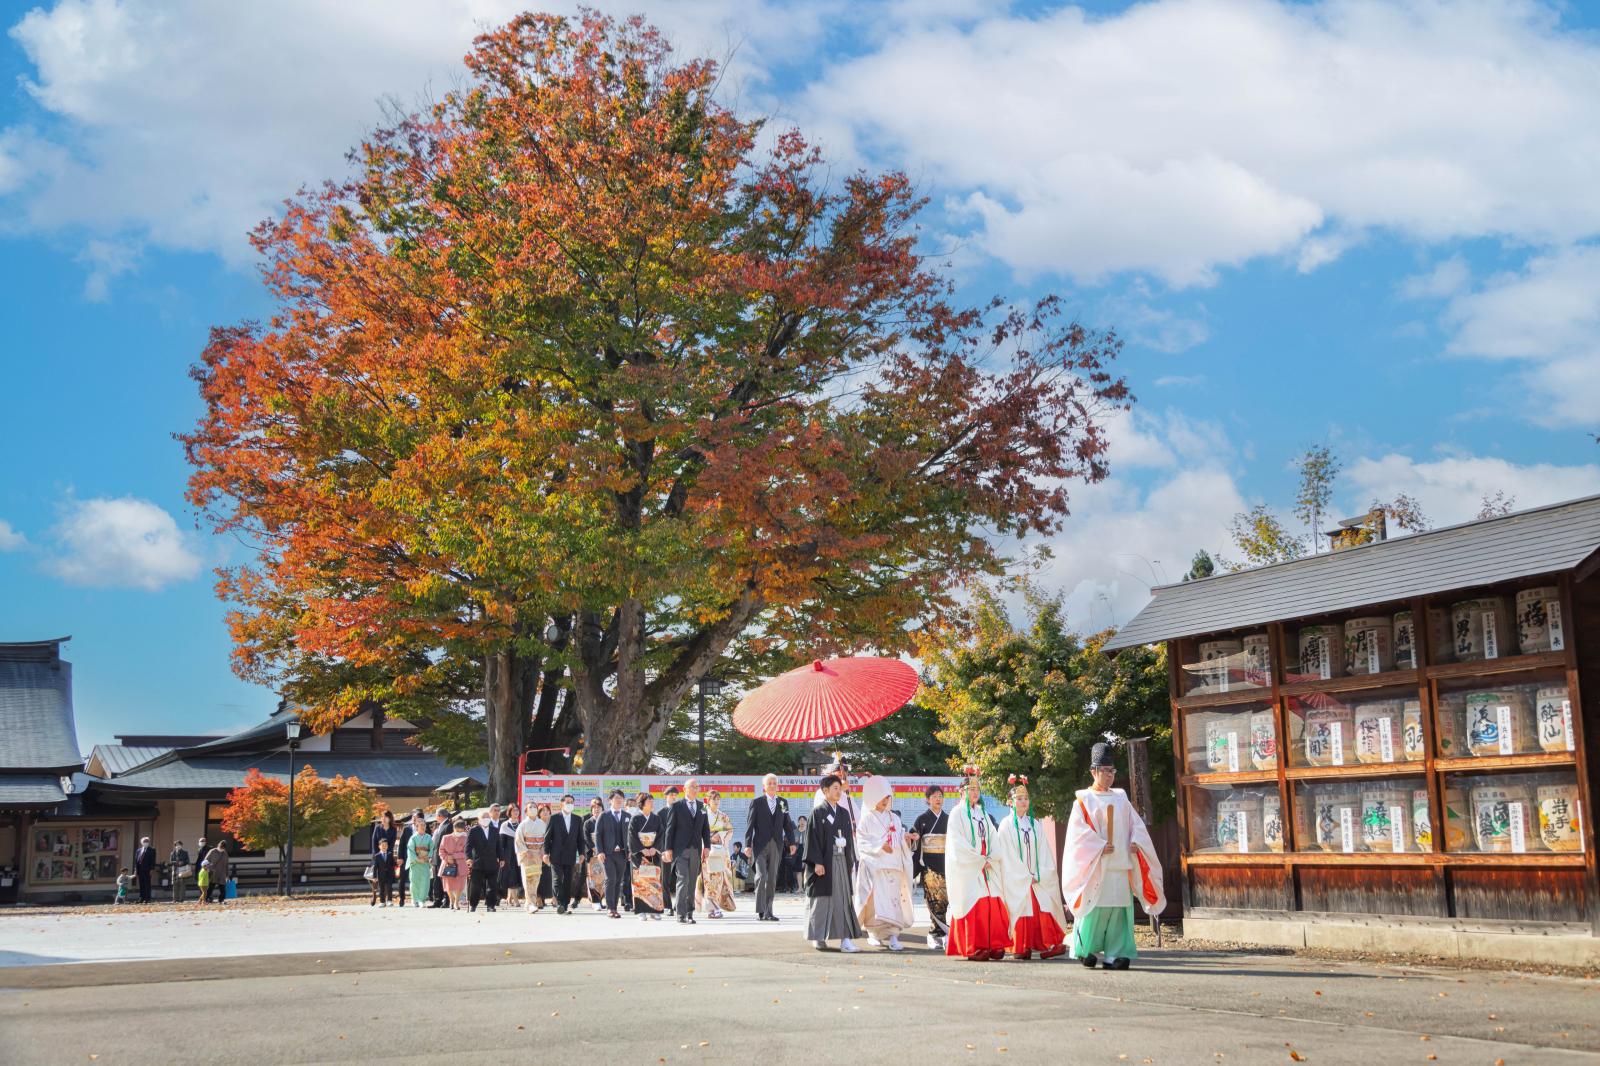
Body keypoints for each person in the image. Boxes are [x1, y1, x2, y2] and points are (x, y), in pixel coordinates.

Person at [1063, 742, 1167, 970]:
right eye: (1104, 771)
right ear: (1094, 772)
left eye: (1112, 771)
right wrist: (1098, 846)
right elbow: (1077, 836)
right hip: (1097, 865)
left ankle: (1115, 953)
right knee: (1093, 909)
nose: (1109, 776)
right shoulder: (1082, 801)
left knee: (1119, 910)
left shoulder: (1121, 799)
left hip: (1120, 864)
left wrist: (1135, 841)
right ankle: (1084, 949)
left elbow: (1135, 826)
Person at [996, 775, 1067, 960]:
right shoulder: (1005, 825)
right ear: (1010, 802)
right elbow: (1007, 855)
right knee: (1021, 905)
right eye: (1019, 799)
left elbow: (1044, 850)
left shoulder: (1034, 824)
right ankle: (1020, 945)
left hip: (1036, 874)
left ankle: (1049, 943)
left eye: (1026, 798)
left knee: (1042, 904)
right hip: (1017, 876)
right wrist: (1024, 875)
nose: (1023, 802)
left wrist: (1038, 872)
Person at [944, 767, 1009, 961]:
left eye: (977, 789)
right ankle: (974, 946)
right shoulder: (956, 813)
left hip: (985, 864)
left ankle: (993, 943)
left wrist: (991, 857)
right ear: (962, 791)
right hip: (970, 867)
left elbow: (993, 837)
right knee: (974, 901)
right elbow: (958, 843)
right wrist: (979, 860)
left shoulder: (982, 813)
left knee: (992, 900)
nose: (974, 792)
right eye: (971, 789)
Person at [852, 774, 915, 951]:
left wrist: (906, 837)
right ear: (873, 798)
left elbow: (899, 835)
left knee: (894, 901)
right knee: (875, 903)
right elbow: (862, 841)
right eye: (883, 797)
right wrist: (880, 845)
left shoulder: (894, 818)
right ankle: (874, 934)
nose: (886, 801)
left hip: (893, 865)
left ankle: (894, 935)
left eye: (888, 797)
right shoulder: (866, 819)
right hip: (876, 866)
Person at [805, 773, 862, 951]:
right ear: (825, 791)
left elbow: (850, 840)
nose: (839, 792)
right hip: (825, 863)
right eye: (835, 789)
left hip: (841, 860)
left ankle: (845, 939)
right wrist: (817, 863)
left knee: (843, 899)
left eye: (840, 789)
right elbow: (812, 840)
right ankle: (818, 937)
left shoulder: (844, 813)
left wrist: (850, 860)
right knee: (822, 900)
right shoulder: (818, 812)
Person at [744, 773, 796, 922]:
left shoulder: (783, 802)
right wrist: (747, 844)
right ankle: (761, 910)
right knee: (761, 876)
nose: (772, 785)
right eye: (770, 783)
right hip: (760, 844)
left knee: (772, 878)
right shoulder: (757, 802)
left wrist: (792, 843)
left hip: (776, 844)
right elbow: (750, 824)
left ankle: (769, 911)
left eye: (774, 783)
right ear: (764, 787)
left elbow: (787, 824)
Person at [663, 778, 710, 924]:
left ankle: (690, 912)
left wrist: (707, 846)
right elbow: (669, 830)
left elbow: (705, 828)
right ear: (685, 789)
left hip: (696, 849)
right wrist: (668, 849)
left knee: (692, 882)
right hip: (680, 850)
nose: (696, 789)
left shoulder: (702, 806)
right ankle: (681, 913)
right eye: (693, 787)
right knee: (682, 879)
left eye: (697, 787)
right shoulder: (676, 806)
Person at [912, 784, 950, 951]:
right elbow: (915, 838)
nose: (938, 799)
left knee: (944, 901)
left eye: (940, 796)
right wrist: (914, 837)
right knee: (933, 900)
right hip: (929, 866)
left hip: (946, 864)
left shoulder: (948, 819)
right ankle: (935, 935)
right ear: (927, 800)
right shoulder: (922, 819)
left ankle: (938, 933)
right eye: (934, 796)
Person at [697, 789, 736, 918]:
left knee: (720, 880)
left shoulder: (723, 816)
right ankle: (712, 909)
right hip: (708, 850)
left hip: (720, 851)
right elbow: (699, 832)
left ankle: (717, 906)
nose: (716, 801)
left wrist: (721, 837)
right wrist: (709, 838)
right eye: (714, 799)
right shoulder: (703, 814)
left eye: (718, 799)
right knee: (710, 880)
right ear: (708, 800)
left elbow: (730, 830)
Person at [544, 794, 586, 915]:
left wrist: (582, 853)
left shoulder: (578, 819)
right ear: (562, 803)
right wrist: (546, 853)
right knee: (557, 879)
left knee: (568, 881)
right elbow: (547, 838)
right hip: (556, 854)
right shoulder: (554, 818)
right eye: (567, 802)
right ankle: (560, 903)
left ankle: (565, 904)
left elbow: (580, 839)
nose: (569, 804)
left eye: (571, 802)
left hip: (570, 855)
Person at [595, 789, 632, 918]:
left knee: (618, 881)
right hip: (608, 854)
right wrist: (600, 851)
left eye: (621, 798)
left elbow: (631, 836)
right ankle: (610, 908)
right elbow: (598, 835)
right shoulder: (604, 815)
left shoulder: (627, 816)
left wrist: (630, 851)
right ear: (610, 800)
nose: (619, 800)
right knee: (610, 879)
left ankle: (615, 907)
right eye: (616, 798)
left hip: (622, 854)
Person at [630, 792, 665, 920]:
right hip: (640, 855)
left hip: (653, 854)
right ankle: (641, 911)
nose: (652, 804)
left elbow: (661, 834)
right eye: (649, 802)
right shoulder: (635, 818)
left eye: (652, 801)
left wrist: (655, 848)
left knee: (654, 882)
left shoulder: (656, 818)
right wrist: (641, 849)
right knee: (641, 883)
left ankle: (654, 910)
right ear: (642, 804)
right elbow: (632, 837)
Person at [466, 810, 502, 912]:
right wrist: (468, 858)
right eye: (483, 817)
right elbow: (468, 847)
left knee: (492, 885)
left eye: (487, 817)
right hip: (478, 862)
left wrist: (501, 858)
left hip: (492, 861)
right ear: (479, 819)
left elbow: (498, 846)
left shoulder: (495, 830)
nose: (486, 819)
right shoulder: (473, 831)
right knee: (476, 886)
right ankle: (473, 904)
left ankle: (491, 905)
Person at [515, 802, 548, 912]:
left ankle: (529, 903)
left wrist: (543, 852)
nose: (533, 809)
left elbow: (545, 840)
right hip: (527, 855)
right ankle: (531, 903)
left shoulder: (542, 824)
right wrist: (524, 851)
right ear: (526, 811)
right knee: (528, 878)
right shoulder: (523, 825)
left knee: (536, 879)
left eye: (534, 807)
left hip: (537, 854)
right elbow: (519, 840)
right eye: (530, 807)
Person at [436, 817, 470, 910]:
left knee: (460, 884)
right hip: (447, 864)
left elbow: (465, 852)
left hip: (461, 864)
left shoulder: (465, 838)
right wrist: (447, 857)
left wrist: (453, 856)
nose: (460, 832)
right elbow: (441, 851)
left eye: (461, 830)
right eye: (458, 830)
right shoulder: (445, 838)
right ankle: (451, 899)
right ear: (454, 829)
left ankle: (456, 902)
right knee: (448, 885)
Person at [658, 785, 681, 915]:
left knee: (681, 878)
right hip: (665, 851)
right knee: (664, 879)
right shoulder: (661, 813)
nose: (673, 797)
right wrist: (663, 850)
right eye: (671, 795)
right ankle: (667, 906)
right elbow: (660, 834)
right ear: (665, 796)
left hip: (679, 851)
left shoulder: (681, 811)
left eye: (675, 795)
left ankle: (679, 905)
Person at [583, 797, 607, 911]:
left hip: (604, 854)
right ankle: (595, 900)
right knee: (593, 878)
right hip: (592, 854)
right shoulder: (588, 823)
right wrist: (594, 848)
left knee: (603, 878)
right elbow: (586, 838)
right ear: (591, 810)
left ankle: (602, 899)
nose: (596, 810)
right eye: (594, 808)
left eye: (599, 808)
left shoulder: (606, 820)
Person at [405, 812, 434, 907]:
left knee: (425, 881)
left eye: (424, 825)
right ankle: (415, 898)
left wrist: (429, 856)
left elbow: (432, 848)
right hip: (416, 863)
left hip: (425, 862)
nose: (423, 827)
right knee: (414, 881)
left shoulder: (429, 837)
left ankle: (422, 899)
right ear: (417, 827)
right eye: (420, 825)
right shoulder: (413, 838)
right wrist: (417, 859)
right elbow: (410, 850)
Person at [396, 807, 423, 906]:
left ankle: (416, 898)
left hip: (418, 859)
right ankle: (401, 899)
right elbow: (401, 844)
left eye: (416, 818)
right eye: (413, 818)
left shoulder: (423, 829)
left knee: (417, 879)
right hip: (406, 858)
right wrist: (399, 857)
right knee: (402, 879)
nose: (414, 820)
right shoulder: (406, 829)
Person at [428, 807, 454, 907]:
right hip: (436, 856)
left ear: (440, 816)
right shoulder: (440, 826)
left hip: (444, 857)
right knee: (436, 880)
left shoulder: (448, 826)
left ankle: (447, 900)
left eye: (436, 815)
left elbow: (449, 843)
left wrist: (448, 856)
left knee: (445, 879)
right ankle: (437, 900)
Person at [498, 803, 522, 908]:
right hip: (508, 855)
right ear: (509, 812)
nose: (515, 812)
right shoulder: (505, 825)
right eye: (513, 810)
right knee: (511, 876)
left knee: (517, 876)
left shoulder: (521, 824)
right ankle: (515, 900)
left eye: (517, 810)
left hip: (520, 853)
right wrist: (501, 857)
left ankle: (509, 898)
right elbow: (501, 843)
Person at [202, 840, 230, 905]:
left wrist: (227, 875)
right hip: (212, 873)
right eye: (221, 848)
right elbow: (205, 862)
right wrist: (207, 869)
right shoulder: (212, 851)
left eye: (223, 848)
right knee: (210, 887)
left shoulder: (225, 853)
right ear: (219, 846)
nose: (222, 849)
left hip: (222, 873)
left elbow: (226, 864)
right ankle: (206, 899)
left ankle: (221, 900)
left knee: (222, 888)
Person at [372, 838, 397, 906]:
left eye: (386, 845)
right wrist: (374, 877)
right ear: (379, 846)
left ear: (387, 846)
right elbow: (375, 867)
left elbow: (393, 864)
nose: (384, 846)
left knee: (389, 888)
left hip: (389, 874)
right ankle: (382, 901)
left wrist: (397, 863)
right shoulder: (377, 856)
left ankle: (389, 900)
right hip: (381, 875)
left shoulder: (390, 854)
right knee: (381, 889)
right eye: (382, 845)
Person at [133, 836, 157, 904]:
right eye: (144, 841)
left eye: (147, 841)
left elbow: (153, 860)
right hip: (140, 869)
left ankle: (147, 898)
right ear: (142, 842)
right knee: (141, 884)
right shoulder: (138, 850)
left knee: (147, 884)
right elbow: (136, 861)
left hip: (147, 869)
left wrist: (152, 869)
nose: (146, 843)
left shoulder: (152, 850)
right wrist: (135, 870)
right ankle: (141, 898)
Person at [169, 840, 192, 905]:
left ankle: (181, 899)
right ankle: (174, 899)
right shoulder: (172, 853)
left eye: (179, 845)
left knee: (182, 885)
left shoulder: (185, 852)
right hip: (175, 870)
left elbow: (187, 861)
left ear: (181, 845)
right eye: (176, 845)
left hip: (183, 870)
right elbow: (170, 862)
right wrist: (176, 862)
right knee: (175, 886)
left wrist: (183, 862)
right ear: (175, 846)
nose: (178, 846)